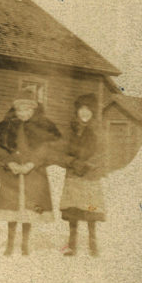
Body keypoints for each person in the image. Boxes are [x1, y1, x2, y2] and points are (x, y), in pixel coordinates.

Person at [0, 88, 61, 256]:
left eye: (27, 109)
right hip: (12, 174)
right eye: (20, 109)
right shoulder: (7, 126)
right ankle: (10, 243)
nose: (23, 113)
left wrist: (32, 163)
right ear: (16, 110)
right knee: (12, 211)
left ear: (33, 109)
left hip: (33, 174)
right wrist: (9, 162)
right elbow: (1, 149)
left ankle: (25, 244)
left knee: (28, 212)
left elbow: (44, 149)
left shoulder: (41, 126)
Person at [59, 93, 106, 257]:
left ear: (93, 112)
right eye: (81, 109)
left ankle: (93, 245)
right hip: (73, 176)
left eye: (88, 110)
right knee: (73, 212)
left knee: (91, 212)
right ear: (77, 111)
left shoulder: (98, 131)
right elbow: (62, 152)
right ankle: (72, 245)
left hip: (90, 177)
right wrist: (72, 162)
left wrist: (88, 165)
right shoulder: (70, 130)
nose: (84, 113)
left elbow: (102, 153)